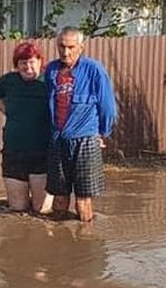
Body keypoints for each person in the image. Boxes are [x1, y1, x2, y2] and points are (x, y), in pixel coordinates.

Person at [45, 27, 117, 223]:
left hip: (85, 140)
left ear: (81, 47)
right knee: (59, 198)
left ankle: (85, 238)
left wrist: (103, 133)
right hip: (58, 140)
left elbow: (108, 107)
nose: (65, 52)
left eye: (71, 47)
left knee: (83, 201)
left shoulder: (94, 70)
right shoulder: (51, 70)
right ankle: (56, 237)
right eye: (62, 46)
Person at [0, 40, 52, 213]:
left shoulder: (49, 81)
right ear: (17, 65)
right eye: (23, 63)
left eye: (32, 62)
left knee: (41, 210)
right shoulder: (9, 81)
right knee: (17, 209)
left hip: (42, 153)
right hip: (14, 152)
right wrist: (9, 111)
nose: (28, 67)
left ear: (40, 62)